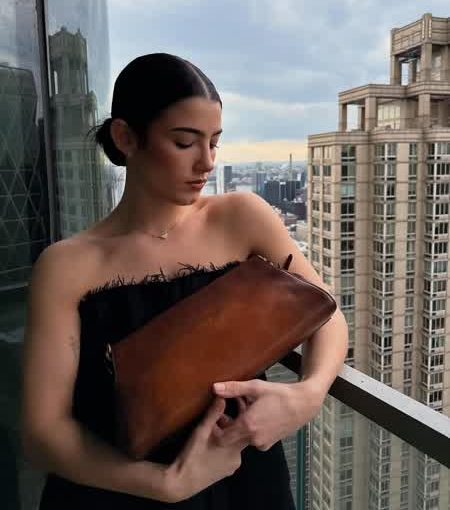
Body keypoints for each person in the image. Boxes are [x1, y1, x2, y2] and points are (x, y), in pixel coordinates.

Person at [21, 53, 348, 508]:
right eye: (184, 143)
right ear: (126, 137)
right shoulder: (67, 266)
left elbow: (327, 313)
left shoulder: (241, 217)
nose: (206, 162)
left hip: (242, 478)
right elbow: (42, 433)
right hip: (116, 488)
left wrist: (307, 397)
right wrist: (165, 484)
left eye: (215, 142)